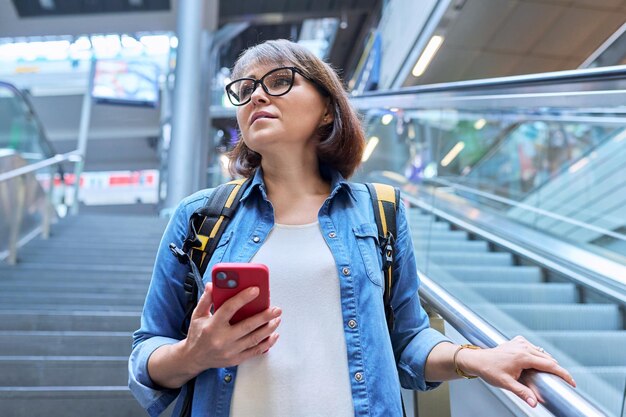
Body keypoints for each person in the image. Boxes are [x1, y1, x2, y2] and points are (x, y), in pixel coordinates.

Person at [129, 39, 575, 417]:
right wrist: (194, 355)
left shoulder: (379, 210)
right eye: (243, 90)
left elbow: (408, 340)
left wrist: (475, 359)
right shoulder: (199, 216)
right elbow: (146, 353)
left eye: (278, 81)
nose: (256, 98)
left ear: (327, 109)